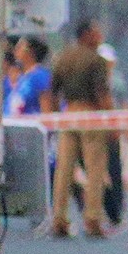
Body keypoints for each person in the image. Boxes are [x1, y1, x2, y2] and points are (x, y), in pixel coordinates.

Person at [46, 19, 116, 240]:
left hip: (68, 114)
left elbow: (52, 93)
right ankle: (92, 218)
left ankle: (59, 218)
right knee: (95, 169)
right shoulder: (96, 60)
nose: (99, 36)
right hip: (90, 114)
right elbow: (102, 93)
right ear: (86, 35)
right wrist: (111, 121)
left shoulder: (62, 57)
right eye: (96, 33)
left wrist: (56, 116)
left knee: (64, 170)